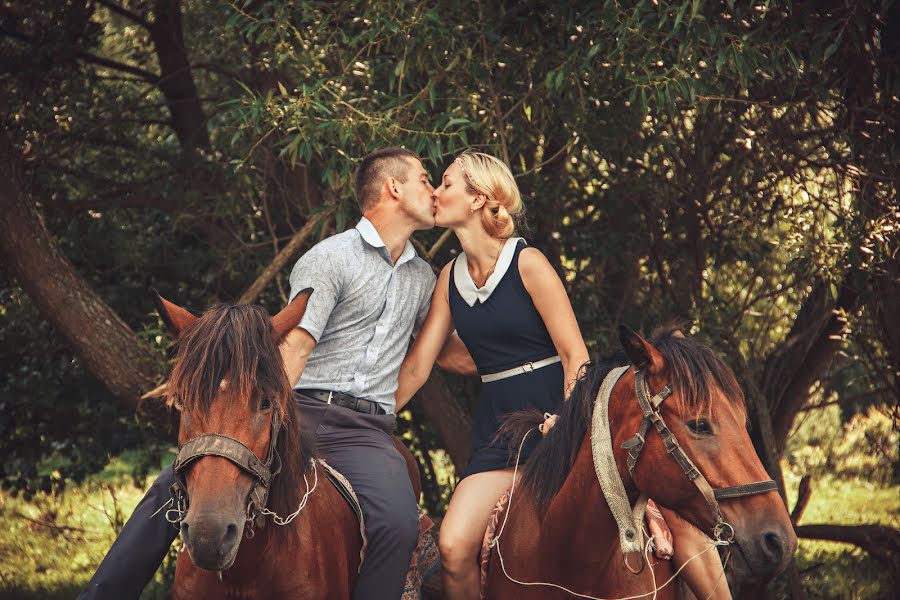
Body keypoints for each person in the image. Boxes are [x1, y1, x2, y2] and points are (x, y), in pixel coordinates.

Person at [78, 147, 474, 600]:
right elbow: (296, 345)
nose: (433, 189)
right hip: (300, 409)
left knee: (398, 522)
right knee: (172, 485)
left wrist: (517, 350)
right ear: (394, 187)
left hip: (366, 430)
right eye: (425, 178)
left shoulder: (423, 277)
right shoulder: (330, 258)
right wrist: (274, 420)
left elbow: (447, 356)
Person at [394, 150, 732, 600]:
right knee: (454, 547)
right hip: (497, 433)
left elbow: (575, 356)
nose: (436, 191)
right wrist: (380, 414)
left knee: (665, 505)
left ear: (478, 198)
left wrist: (567, 418)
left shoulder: (527, 262)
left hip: (562, 418)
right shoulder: (448, 279)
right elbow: (422, 364)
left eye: (447, 182)